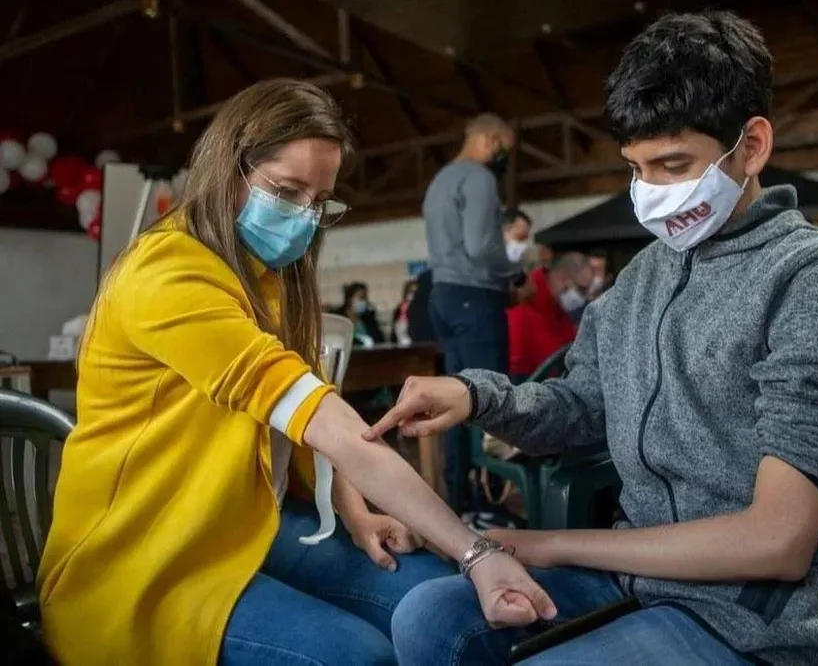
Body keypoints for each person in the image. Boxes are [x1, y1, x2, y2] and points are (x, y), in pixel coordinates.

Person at [374, 12, 818, 666]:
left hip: (760, 616)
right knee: (430, 617)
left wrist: (553, 543)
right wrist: (477, 397)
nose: (651, 192)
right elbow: (583, 406)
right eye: (637, 168)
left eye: (674, 165)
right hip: (641, 579)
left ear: (752, 146)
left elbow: (778, 541)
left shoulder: (815, 281)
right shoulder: (639, 281)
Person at [36, 79, 555, 666]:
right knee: (361, 656)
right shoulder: (169, 274)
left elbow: (305, 422)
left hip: (248, 521)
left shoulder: (266, 276)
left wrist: (353, 507)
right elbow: (331, 425)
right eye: (287, 191)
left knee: (439, 606)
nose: (304, 218)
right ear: (228, 171)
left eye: (319, 202)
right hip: (147, 558)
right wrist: (476, 551)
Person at [422, 113, 524, 511]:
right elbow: (482, 247)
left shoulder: (440, 181)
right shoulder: (479, 178)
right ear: (489, 138)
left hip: (443, 296)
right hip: (475, 299)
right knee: (488, 402)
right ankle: (488, 498)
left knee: (455, 402)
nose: (504, 157)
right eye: (504, 148)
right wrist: (516, 275)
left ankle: (461, 499)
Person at [507, 252, 592, 383]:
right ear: (562, 277)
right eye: (581, 289)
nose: (582, 297)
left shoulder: (561, 315)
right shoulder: (523, 311)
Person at [332, 281, 385, 347]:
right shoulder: (339, 318)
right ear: (350, 299)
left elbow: (379, 340)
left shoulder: (369, 317)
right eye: (361, 298)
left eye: (366, 298)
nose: (364, 301)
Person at [391, 279, 418, 345]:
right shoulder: (401, 305)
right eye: (410, 291)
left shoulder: (420, 306)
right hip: (403, 327)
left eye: (415, 292)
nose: (412, 294)